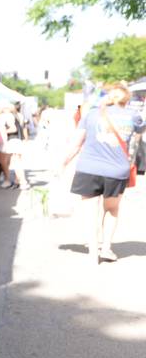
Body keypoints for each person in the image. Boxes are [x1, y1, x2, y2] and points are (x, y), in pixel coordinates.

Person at [62, 83, 145, 264]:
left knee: (90, 212)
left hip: (89, 168)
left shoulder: (91, 114)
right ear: (127, 99)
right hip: (117, 170)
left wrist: (63, 162)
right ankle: (106, 248)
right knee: (112, 209)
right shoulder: (134, 116)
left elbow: (76, 142)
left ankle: (93, 254)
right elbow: (140, 132)